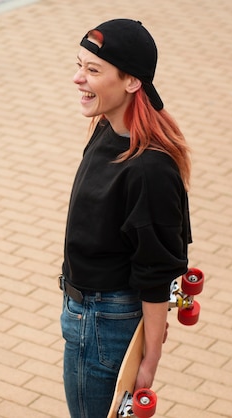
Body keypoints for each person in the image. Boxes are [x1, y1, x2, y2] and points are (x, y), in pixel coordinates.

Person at [59, 19, 192, 417]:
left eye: (93, 70)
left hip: (103, 324)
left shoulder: (148, 169)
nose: (77, 78)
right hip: (90, 316)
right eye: (80, 65)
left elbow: (157, 270)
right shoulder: (108, 128)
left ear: (132, 81)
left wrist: (149, 359)